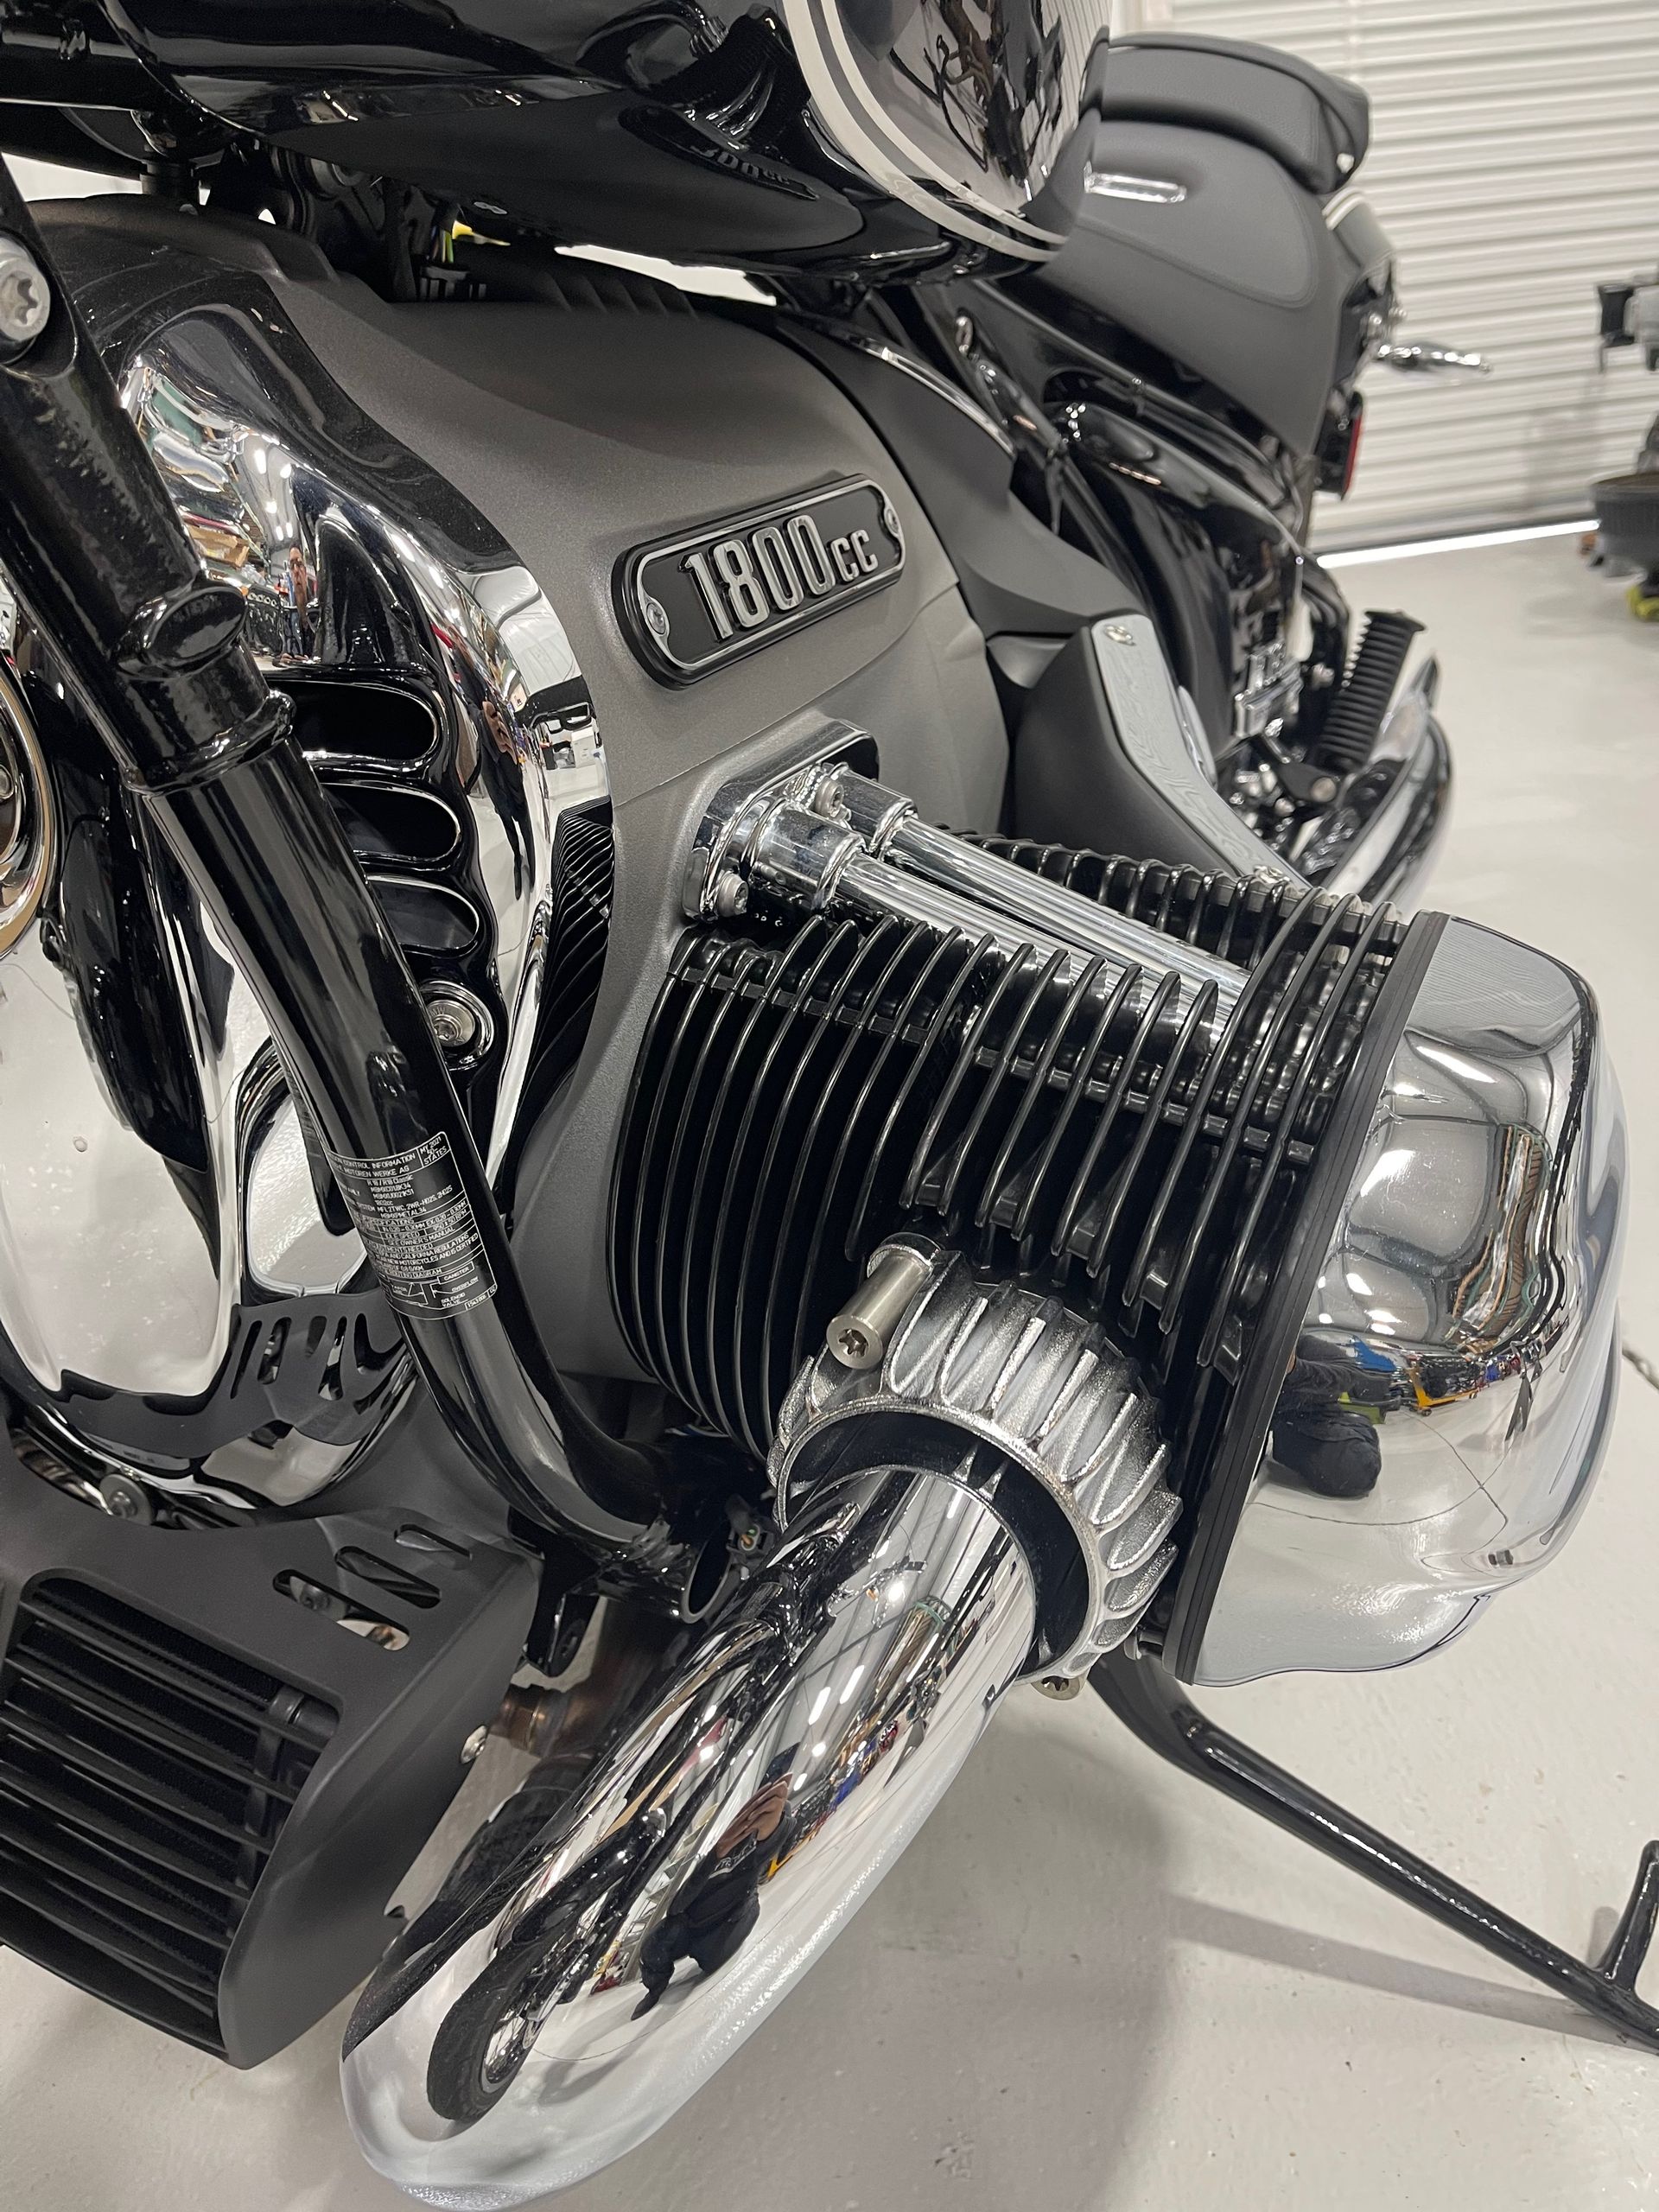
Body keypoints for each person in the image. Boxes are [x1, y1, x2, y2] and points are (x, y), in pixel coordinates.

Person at [632, 1758, 796, 2018]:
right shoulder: (727, 1844)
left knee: (705, 1954)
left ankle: (663, 1979)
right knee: (656, 1944)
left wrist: (769, 1830)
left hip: (727, 1913)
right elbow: (683, 1899)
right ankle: (655, 1986)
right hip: (694, 1915)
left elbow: (763, 1854)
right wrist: (720, 1851)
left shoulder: (756, 1850)